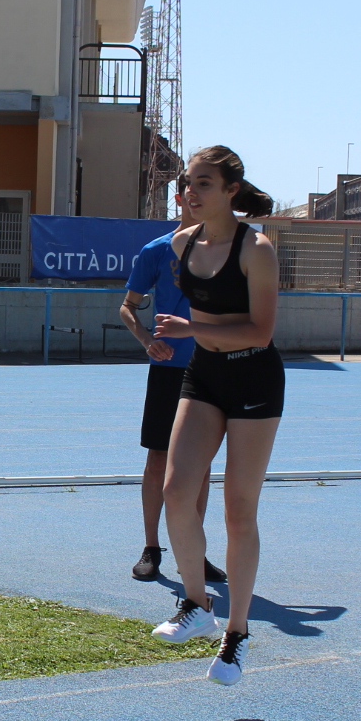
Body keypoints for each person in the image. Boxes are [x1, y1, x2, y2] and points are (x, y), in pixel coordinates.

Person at [146, 146, 282, 686]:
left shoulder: (257, 249)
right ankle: (198, 605)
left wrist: (190, 330)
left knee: (238, 511)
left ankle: (237, 634)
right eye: (187, 183)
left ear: (231, 190)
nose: (190, 192)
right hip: (203, 375)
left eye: (203, 183)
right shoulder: (182, 243)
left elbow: (260, 333)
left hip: (254, 379)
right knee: (177, 492)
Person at [119, 182, 226, 588]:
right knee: (158, 460)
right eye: (191, 192)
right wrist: (148, 340)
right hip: (167, 369)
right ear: (179, 199)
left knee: (202, 466)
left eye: (207, 191)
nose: (198, 200)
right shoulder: (157, 250)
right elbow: (127, 307)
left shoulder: (226, 250)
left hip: (211, 368)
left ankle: (192, 551)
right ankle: (152, 547)